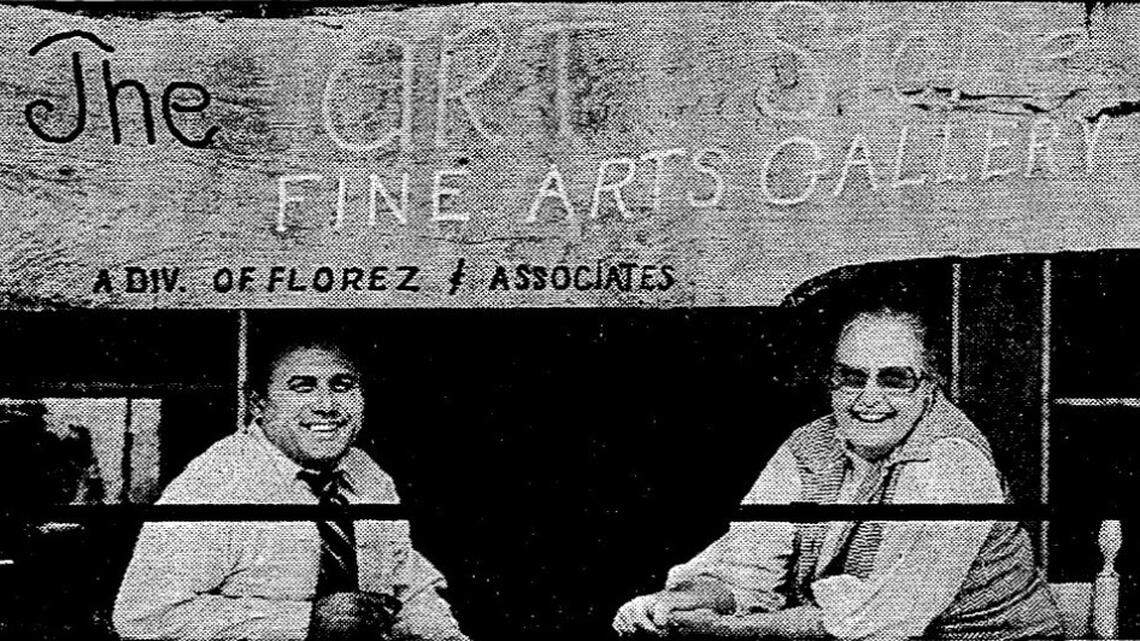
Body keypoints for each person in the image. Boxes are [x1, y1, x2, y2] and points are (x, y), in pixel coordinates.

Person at [612, 308, 1063, 640]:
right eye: (851, 377)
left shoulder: (953, 461)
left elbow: (886, 615)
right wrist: (673, 604)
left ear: (928, 389)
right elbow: (746, 567)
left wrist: (727, 633)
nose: (868, 398)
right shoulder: (808, 447)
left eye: (894, 379)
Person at [114, 341, 468, 641]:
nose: (327, 406)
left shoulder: (368, 474)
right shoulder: (216, 481)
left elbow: (406, 583)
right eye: (302, 386)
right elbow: (143, 615)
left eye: (342, 385)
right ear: (259, 405)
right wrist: (304, 621)